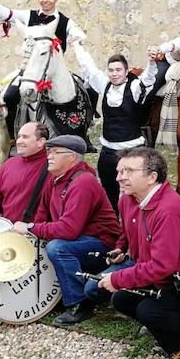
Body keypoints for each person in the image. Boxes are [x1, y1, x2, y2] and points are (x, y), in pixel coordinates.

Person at [93, 147, 180, 359]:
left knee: (149, 311)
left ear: (152, 177)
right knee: (122, 300)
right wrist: (122, 247)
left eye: (129, 171)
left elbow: (163, 266)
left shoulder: (168, 209)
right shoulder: (129, 199)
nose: (120, 177)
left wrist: (119, 278)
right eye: (119, 171)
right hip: (163, 276)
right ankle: (168, 322)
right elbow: (128, 230)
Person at [11, 134, 120, 326]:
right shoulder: (55, 179)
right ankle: (62, 292)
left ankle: (80, 304)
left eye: (55, 152)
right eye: (48, 152)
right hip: (81, 240)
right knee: (43, 242)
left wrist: (30, 227)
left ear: (72, 157)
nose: (49, 156)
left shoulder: (83, 182)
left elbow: (69, 230)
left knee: (57, 248)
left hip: (103, 244)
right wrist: (30, 232)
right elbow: (42, 216)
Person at [0, 0, 87, 138]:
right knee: (10, 97)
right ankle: (13, 138)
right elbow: (5, 12)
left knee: (90, 92)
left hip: (54, 71)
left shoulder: (65, 22)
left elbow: (78, 33)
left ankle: (84, 133)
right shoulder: (28, 16)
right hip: (31, 70)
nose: (45, 0)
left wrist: (77, 38)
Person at [73, 43, 157, 211]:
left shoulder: (134, 88)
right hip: (108, 151)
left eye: (118, 70)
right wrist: (76, 45)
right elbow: (89, 67)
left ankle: (136, 225)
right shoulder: (105, 85)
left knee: (134, 192)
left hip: (132, 150)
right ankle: (113, 226)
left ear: (126, 72)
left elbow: (148, 78)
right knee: (109, 191)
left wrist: (152, 62)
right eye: (111, 70)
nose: (114, 73)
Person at [0, 122, 50, 223]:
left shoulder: (53, 166)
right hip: (6, 229)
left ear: (41, 142)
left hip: (35, 233)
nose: (19, 141)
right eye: (19, 136)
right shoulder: (9, 163)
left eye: (25, 137)